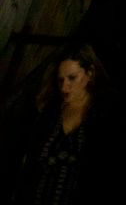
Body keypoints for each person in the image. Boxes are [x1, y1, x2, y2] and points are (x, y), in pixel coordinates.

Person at [11, 44, 120, 204]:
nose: (64, 86)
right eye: (60, 79)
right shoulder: (49, 113)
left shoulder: (104, 114)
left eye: (72, 78)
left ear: (89, 73)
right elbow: (30, 164)